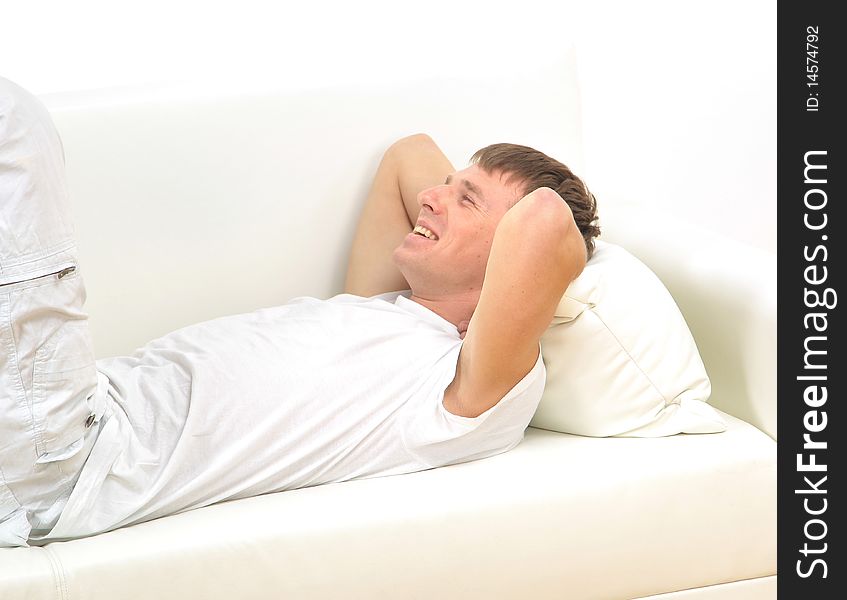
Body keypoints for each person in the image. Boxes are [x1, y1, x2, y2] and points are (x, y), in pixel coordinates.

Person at [0, 76, 599, 547]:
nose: (430, 195)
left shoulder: (460, 394)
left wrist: (506, 257)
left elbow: (545, 219)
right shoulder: (382, 309)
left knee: (14, 121)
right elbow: (406, 153)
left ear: (512, 263)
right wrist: (470, 206)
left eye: (464, 199)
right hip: (80, 408)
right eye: (446, 184)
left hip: (72, 461)